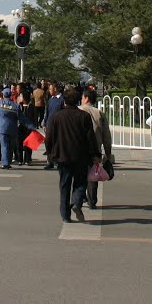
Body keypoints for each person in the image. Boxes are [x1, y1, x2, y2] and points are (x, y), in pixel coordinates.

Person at [44, 88, 100, 223]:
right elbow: (90, 138)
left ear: (64, 101)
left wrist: (50, 153)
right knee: (80, 182)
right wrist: (95, 154)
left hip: (62, 155)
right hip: (80, 156)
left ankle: (65, 215)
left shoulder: (57, 116)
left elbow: (49, 138)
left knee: (64, 185)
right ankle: (76, 202)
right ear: (77, 101)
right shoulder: (84, 116)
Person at [0, 87, 38, 170]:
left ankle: (5, 163)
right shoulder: (16, 106)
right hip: (12, 128)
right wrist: (32, 127)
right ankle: (9, 161)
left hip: (1, 128)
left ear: (3, 95)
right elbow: (23, 119)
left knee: (4, 145)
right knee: (11, 146)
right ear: (11, 95)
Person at [79, 89, 112, 209]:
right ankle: (92, 200)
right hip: (96, 148)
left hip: (80, 147)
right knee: (94, 174)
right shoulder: (100, 113)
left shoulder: (79, 110)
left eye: (82, 97)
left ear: (86, 98)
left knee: (80, 173)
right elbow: (106, 135)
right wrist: (108, 152)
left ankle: (80, 196)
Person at [43, 82, 64, 169]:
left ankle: (59, 161)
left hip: (58, 126)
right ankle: (50, 161)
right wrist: (44, 123)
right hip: (49, 125)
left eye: (50, 89)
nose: (49, 91)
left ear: (55, 89)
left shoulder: (62, 100)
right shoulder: (50, 100)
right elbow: (47, 112)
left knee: (58, 144)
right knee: (48, 143)